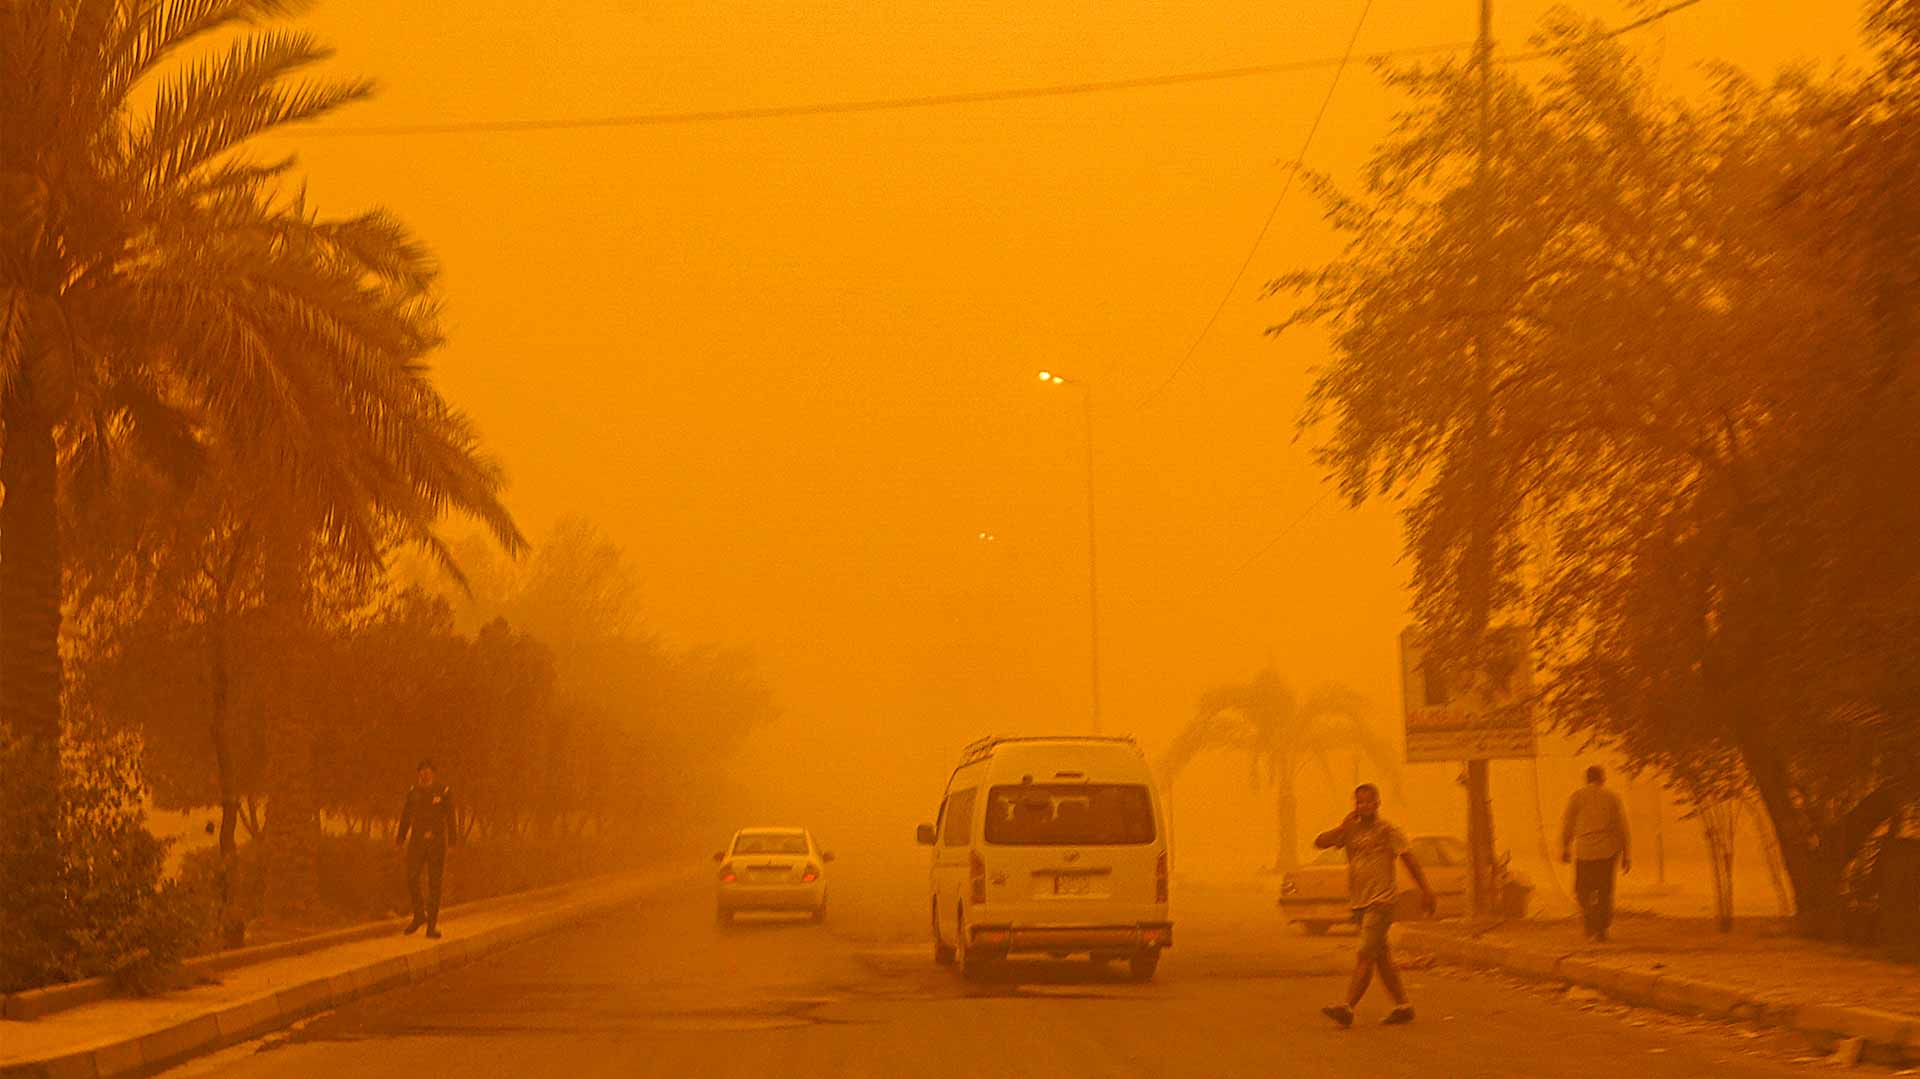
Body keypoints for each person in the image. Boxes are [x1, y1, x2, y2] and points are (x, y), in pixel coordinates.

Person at [1315, 783, 1437, 1028]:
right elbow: (1320, 842)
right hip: (1359, 902)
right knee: (1381, 956)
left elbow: (1409, 859)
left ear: (1378, 803)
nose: (1364, 806)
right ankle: (1403, 1005)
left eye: (1369, 802)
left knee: (1365, 953)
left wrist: (1426, 890)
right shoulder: (1350, 829)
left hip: (1381, 901)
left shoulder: (1388, 831)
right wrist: (1342, 828)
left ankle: (1347, 1006)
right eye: (1360, 802)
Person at [1562, 765, 1630, 941]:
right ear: (1602, 778)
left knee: (1582, 891)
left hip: (1585, 851)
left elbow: (1568, 823)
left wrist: (1565, 847)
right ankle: (1601, 929)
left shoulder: (1577, 797)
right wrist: (1626, 854)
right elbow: (1622, 827)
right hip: (1608, 852)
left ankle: (1591, 922)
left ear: (1586, 778)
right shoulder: (1612, 797)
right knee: (1605, 891)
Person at [396, 758, 457, 939]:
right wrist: (400, 838)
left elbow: (451, 817)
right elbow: (406, 816)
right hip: (417, 842)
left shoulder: (443, 792)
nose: (425, 773)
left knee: (434, 885)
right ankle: (419, 915)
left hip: (437, 843)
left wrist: (453, 842)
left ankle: (432, 926)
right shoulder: (413, 792)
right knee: (412, 877)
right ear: (418, 774)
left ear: (433, 773)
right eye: (422, 770)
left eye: (428, 770)